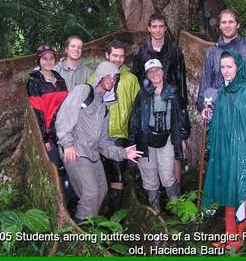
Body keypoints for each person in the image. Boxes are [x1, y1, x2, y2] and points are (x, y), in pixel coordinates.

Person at [55, 61, 143, 222]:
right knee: (91, 193)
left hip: (92, 154)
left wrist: (123, 153)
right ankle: (81, 234)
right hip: (75, 150)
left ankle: (88, 223)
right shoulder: (84, 91)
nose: (112, 79)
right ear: (100, 76)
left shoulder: (104, 107)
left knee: (102, 190)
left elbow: (103, 143)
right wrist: (67, 144)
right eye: (108, 75)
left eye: (115, 77)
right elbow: (64, 117)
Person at [202, 51, 246, 251]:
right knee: (228, 188)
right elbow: (221, 122)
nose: (225, 71)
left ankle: (241, 234)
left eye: (229, 66)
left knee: (243, 187)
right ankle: (230, 233)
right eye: (222, 67)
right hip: (225, 148)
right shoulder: (222, 92)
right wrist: (209, 118)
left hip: (244, 149)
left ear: (238, 67)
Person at [132, 13, 190, 185]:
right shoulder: (141, 53)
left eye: (161, 26)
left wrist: (182, 108)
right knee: (149, 148)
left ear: (165, 28)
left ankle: (175, 195)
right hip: (148, 107)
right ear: (149, 28)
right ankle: (153, 192)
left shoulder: (174, 51)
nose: (157, 30)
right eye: (154, 26)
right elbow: (136, 81)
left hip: (171, 104)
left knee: (175, 145)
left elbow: (181, 80)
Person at [129, 59, 190, 213]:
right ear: (147, 75)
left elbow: (182, 115)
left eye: (157, 70)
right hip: (146, 140)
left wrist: (182, 138)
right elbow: (135, 118)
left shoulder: (173, 92)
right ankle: (155, 212)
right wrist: (132, 142)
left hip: (167, 138)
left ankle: (178, 209)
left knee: (167, 175)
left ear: (163, 71)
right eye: (151, 71)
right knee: (149, 176)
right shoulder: (142, 94)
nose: (155, 74)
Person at [88, 40, 140, 214]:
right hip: (96, 135)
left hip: (119, 134)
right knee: (98, 176)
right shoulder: (94, 77)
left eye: (121, 56)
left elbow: (138, 107)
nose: (118, 59)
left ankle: (113, 218)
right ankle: (96, 215)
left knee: (117, 177)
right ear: (107, 55)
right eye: (115, 55)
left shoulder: (130, 79)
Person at [26, 44, 68, 166]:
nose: (48, 61)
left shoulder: (60, 79)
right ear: (39, 60)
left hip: (66, 130)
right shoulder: (34, 82)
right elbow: (37, 112)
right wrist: (44, 139)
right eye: (44, 58)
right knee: (56, 167)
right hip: (50, 135)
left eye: (51, 58)